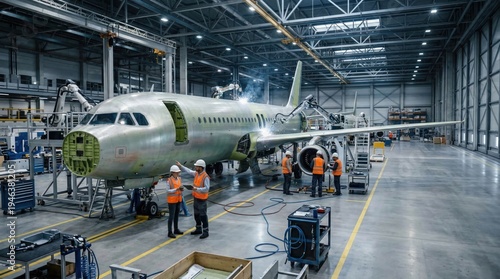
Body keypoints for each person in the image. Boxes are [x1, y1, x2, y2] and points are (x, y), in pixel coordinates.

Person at [177, 159, 210, 239]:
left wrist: (196, 189)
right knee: (196, 215)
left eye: (197, 166)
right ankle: (198, 229)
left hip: (202, 200)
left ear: (201, 167)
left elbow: (207, 188)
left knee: (203, 216)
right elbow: (188, 171)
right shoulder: (196, 174)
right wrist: (181, 166)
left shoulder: (205, 177)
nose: (195, 168)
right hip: (196, 198)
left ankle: (206, 231)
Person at [166, 165, 184, 238]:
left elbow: (180, 187)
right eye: (176, 172)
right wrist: (176, 189)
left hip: (178, 200)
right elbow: (168, 191)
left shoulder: (179, 179)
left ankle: (176, 229)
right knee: (171, 216)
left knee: (176, 216)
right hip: (172, 201)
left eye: (178, 172)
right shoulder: (169, 180)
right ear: (172, 173)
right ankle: (170, 232)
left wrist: (181, 189)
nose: (178, 173)